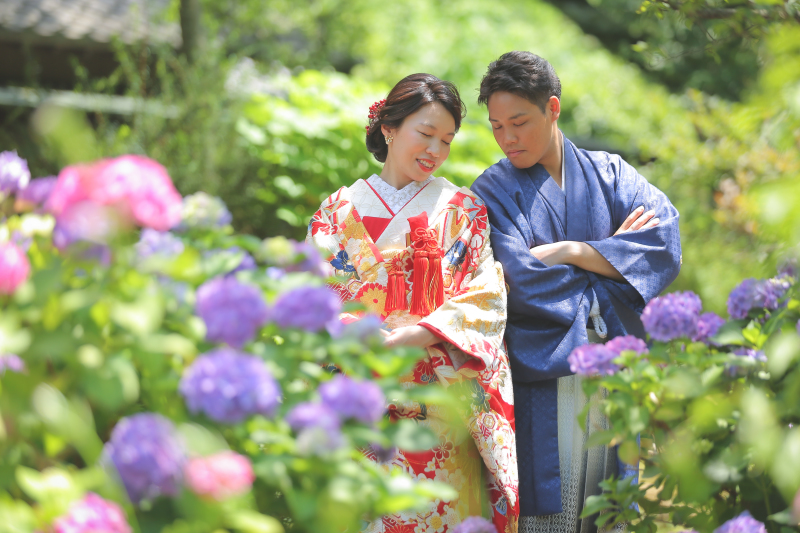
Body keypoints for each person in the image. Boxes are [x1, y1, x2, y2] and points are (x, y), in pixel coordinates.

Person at [470, 52, 682, 533]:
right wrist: (612, 258)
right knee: (555, 504)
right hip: (546, 368)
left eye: (519, 122)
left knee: (612, 499)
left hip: (614, 366)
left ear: (553, 108)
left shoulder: (611, 172)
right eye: (496, 126)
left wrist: (569, 250)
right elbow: (518, 277)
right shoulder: (493, 190)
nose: (508, 138)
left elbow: (663, 243)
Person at [306, 73, 520, 533]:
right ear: (389, 128)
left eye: (447, 140)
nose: (436, 152)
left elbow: (485, 295)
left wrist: (422, 332)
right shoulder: (336, 212)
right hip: (360, 406)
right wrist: (362, 333)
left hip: (438, 417)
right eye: (425, 134)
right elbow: (310, 296)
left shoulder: (462, 210)